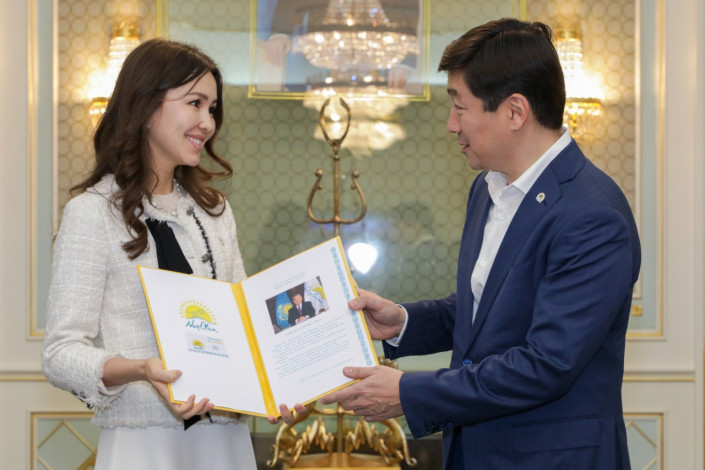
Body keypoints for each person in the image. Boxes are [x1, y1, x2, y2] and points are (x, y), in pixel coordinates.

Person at [317, 18, 641, 470]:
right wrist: (404, 323)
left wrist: (410, 392)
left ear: (515, 112)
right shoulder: (488, 189)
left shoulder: (592, 215)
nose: (451, 125)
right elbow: (488, 312)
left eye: (459, 107)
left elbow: (546, 365)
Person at [41, 38, 257, 469]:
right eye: (195, 103)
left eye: (212, 109)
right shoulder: (92, 213)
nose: (208, 123)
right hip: (144, 446)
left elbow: (243, 325)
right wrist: (142, 369)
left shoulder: (215, 211)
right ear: (146, 106)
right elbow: (60, 354)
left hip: (227, 440)